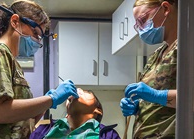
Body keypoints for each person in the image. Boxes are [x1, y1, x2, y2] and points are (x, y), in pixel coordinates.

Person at [0, 0, 78, 138]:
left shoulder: (11, 62)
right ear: (15, 21)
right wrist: (51, 99)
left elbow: (20, 122)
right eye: (35, 33)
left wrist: (45, 104)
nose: (37, 41)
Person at [120, 0, 178, 138]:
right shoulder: (157, 54)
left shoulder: (187, 46)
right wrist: (138, 107)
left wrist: (157, 96)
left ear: (165, 8)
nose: (141, 28)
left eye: (143, 20)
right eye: (137, 25)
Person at [30, 88, 121, 139]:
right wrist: (44, 105)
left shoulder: (109, 135)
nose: (79, 90)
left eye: (86, 92)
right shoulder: (43, 130)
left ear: (98, 110)